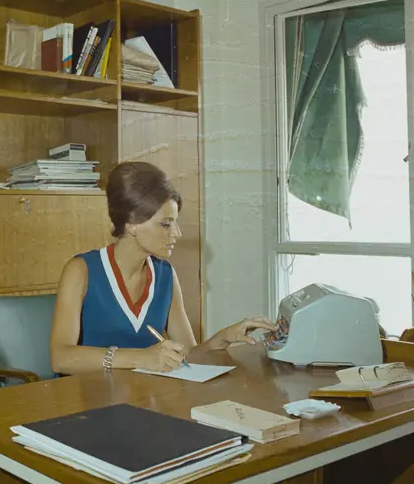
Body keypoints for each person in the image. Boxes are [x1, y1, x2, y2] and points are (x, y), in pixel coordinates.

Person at [50, 161, 276, 375]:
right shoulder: (81, 270)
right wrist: (141, 358)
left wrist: (222, 339)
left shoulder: (165, 274)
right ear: (132, 224)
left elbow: (187, 355)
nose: (177, 232)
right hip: (89, 395)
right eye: (165, 224)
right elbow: (60, 358)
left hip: (144, 394)